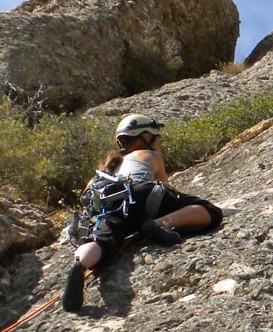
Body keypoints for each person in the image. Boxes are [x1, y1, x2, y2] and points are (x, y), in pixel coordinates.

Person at [62, 113, 223, 312]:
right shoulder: (150, 155)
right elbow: (164, 187)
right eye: (157, 136)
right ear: (145, 136)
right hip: (141, 194)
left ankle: (80, 264)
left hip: (108, 205)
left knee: (102, 241)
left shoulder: (106, 168)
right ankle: (159, 224)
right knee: (210, 211)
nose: (160, 140)